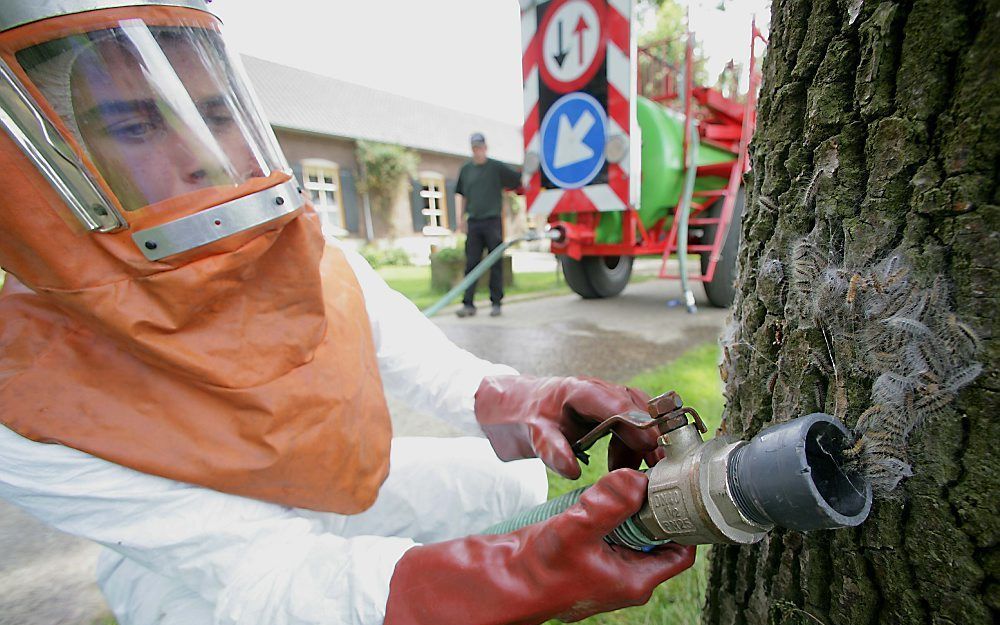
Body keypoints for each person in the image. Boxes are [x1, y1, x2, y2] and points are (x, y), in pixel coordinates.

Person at [0, 3, 695, 625]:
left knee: (503, 479)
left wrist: (532, 400)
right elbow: (264, 576)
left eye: (214, 116)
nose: (202, 160)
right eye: (134, 125)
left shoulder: (305, 250)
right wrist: (499, 579)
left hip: (331, 481)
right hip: (185, 560)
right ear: (54, 162)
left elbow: (437, 375)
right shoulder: (25, 391)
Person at [454, 133, 522, 318]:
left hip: (492, 221)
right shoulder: (466, 170)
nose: (478, 151)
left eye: (480, 147)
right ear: (472, 149)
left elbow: (516, 180)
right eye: (475, 148)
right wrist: (460, 219)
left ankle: (496, 303)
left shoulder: (495, 167)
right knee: (471, 263)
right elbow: (461, 194)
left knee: (495, 262)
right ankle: (468, 303)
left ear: (485, 148)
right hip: (474, 222)